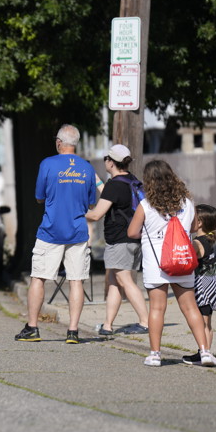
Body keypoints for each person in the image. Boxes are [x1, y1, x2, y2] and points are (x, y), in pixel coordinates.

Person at [127, 159, 216, 367]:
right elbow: (193, 228)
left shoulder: (146, 205)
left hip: (156, 263)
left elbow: (132, 232)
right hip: (181, 259)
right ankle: (204, 351)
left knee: (157, 309)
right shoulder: (186, 203)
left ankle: (155, 354)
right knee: (190, 308)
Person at [16, 124, 98, 345]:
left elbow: (39, 197)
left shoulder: (48, 164)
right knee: (76, 280)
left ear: (59, 143)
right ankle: (73, 331)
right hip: (78, 231)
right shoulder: (87, 168)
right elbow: (91, 202)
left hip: (50, 231)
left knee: (38, 277)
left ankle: (33, 327)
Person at [84, 144, 150, 337]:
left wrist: (73, 211)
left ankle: (146, 322)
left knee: (124, 280)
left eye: (106, 158)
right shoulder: (131, 180)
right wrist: (97, 180)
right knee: (114, 281)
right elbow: (111, 195)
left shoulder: (114, 185)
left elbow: (96, 215)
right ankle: (108, 325)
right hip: (132, 239)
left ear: (111, 162)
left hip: (120, 240)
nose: (105, 160)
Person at [183, 204, 216, 365]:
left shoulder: (197, 243)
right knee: (207, 322)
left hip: (202, 287)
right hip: (212, 285)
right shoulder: (208, 239)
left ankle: (204, 353)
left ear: (199, 223)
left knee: (203, 322)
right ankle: (205, 351)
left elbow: (187, 257)